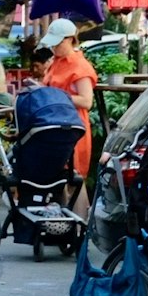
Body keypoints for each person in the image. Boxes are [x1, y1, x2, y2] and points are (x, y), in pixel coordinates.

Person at [40, 18, 99, 181]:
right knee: (57, 176)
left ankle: (77, 208)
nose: (54, 47)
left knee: (73, 176)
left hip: (72, 128)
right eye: (52, 43)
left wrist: (58, 96)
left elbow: (87, 101)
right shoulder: (55, 62)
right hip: (53, 124)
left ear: (71, 39)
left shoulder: (80, 66)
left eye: (57, 43)